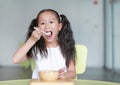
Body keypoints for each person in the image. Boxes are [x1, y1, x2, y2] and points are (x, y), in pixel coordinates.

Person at [13, 9, 76, 79]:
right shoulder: (36, 48)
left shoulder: (66, 47)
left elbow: (72, 72)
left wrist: (65, 75)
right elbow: (16, 60)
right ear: (38, 28)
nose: (47, 26)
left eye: (51, 22)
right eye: (42, 23)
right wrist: (32, 39)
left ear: (59, 26)